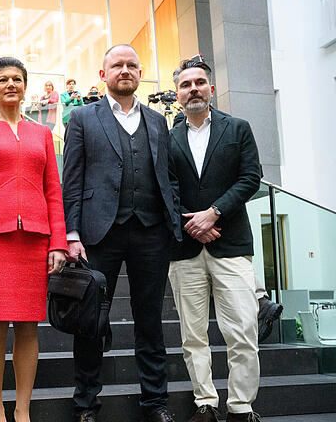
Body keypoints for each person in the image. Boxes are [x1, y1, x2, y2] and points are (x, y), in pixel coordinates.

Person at [62, 44, 181, 422]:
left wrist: (173, 220)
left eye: (132, 65)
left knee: (150, 322)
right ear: (103, 75)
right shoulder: (82, 117)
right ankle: (85, 405)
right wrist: (72, 232)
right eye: (117, 65)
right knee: (91, 321)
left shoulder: (157, 121)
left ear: (140, 73)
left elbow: (167, 176)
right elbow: (73, 180)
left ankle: (156, 404)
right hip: (99, 233)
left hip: (151, 232)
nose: (125, 70)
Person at [0, 57, 67, 422]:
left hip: (36, 240)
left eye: (17, 79)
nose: (11, 84)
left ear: (26, 87)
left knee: (28, 328)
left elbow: (54, 191)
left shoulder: (42, 134)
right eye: (3, 79)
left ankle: (22, 410)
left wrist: (58, 243)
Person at [168, 58, 263, 422]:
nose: (193, 89)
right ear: (178, 94)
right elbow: (165, 188)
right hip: (185, 249)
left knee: (242, 330)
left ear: (211, 88)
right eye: (185, 84)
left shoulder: (237, 128)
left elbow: (250, 177)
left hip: (230, 243)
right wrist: (193, 224)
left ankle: (240, 407)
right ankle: (205, 403)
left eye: (199, 82)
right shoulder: (167, 137)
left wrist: (214, 213)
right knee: (193, 336)